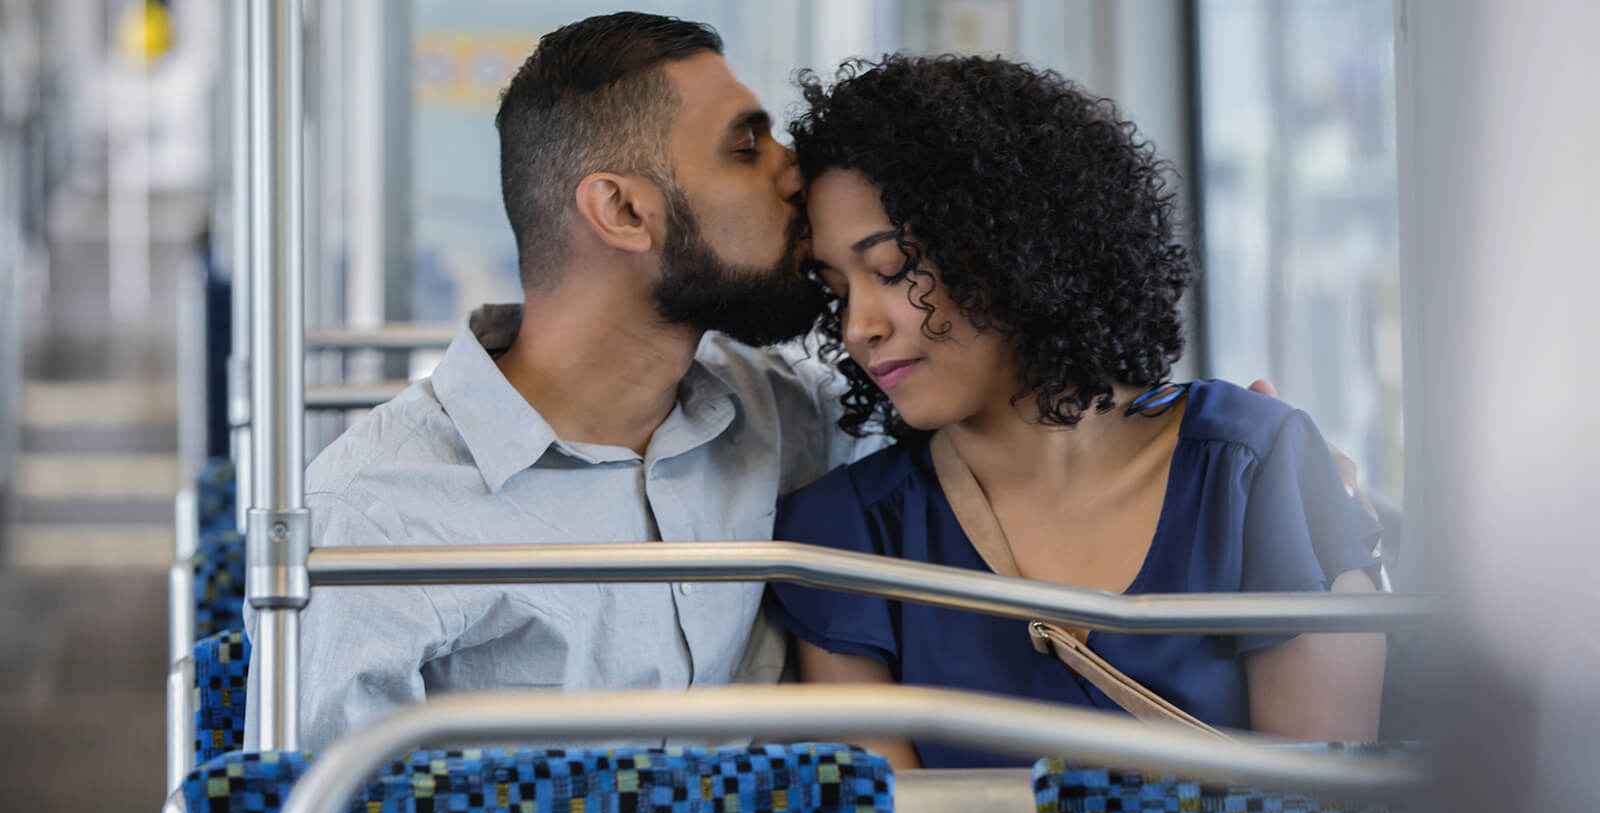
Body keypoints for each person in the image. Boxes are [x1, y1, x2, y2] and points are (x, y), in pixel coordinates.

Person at [244, 13, 1361, 752]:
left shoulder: (792, 420)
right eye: (745, 146)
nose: (789, 168)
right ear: (622, 211)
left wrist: (1268, 459)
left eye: (887, 267)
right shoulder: (375, 519)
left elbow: (1027, 403)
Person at [765, 55, 1387, 769]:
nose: (858, 328)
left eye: (893, 269)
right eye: (838, 289)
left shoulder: (1253, 467)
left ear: (1009, 242)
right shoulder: (846, 535)